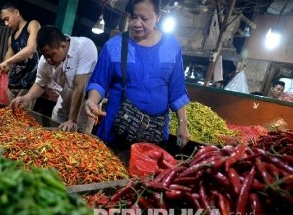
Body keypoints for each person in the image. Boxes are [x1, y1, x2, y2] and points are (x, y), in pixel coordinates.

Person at [84, 0, 190, 152]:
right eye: (133, 17)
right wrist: (92, 101)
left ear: (158, 16)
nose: (137, 23)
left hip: (155, 135)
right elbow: (99, 82)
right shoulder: (114, 46)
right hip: (115, 133)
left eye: (144, 19)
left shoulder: (171, 46)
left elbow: (177, 90)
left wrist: (182, 123)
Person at [11, 25, 97, 133]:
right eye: (45, 56)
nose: (48, 60)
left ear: (63, 46)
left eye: (51, 55)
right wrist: (27, 97)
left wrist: (72, 119)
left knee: (78, 136)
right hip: (64, 98)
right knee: (54, 132)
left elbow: (80, 86)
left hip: (85, 102)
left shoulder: (84, 46)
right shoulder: (45, 59)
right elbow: (41, 83)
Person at [0, 1, 40, 109]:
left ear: (16, 12)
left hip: (28, 86)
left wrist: (7, 61)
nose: (6, 24)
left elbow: (30, 48)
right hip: (12, 86)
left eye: (7, 19)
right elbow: (5, 67)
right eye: (4, 21)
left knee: (21, 118)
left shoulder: (32, 24)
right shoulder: (11, 38)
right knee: (7, 117)